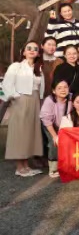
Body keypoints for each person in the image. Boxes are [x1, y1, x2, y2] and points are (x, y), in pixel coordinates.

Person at [3, 41, 44, 177]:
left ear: (38, 53)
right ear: (24, 52)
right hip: (21, 100)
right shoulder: (16, 66)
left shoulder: (38, 68)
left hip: (35, 100)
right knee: (19, 132)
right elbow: (6, 84)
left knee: (30, 133)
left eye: (35, 49)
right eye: (29, 48)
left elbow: (41, 87)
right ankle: (19, 167)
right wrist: (16, 96)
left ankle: (26, 165)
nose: (32, 50)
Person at [40, 79, 72, 178]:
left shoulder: (71, 98)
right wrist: (54, 136)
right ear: (54, 91)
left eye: (65, 87)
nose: (63, 90)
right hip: (50, 125)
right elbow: (46, 119)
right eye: (59, 88)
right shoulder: (49, 100)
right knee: (54, 143)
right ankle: (53, 169)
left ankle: (67, 164)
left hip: (65, 125)